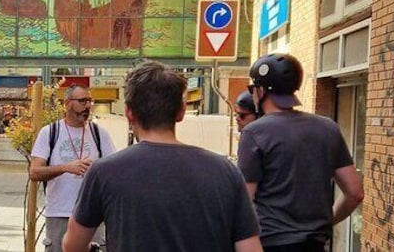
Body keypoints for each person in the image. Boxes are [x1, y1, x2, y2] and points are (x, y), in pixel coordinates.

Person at [63, 62, 261, 252]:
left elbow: (72, 246)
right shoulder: (225, 172)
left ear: (128, 113)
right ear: (181, 112)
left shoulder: (104, 172)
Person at [238, 53, 364, 252]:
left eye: (253, 88)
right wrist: (327, 220)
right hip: (314, 243)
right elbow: (355, 192)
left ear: (261, 91)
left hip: (270, 243)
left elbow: (243, 203)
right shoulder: (328, 128)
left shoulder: (254, 133)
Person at [28, 84, 116, 252]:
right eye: (82, 101)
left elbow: (113, 172)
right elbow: (34, 172)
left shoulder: (99, 133)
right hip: (59, 213)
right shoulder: (50, 132)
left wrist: (98, 170)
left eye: (89, 101)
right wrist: (65, 168)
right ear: (67, 104)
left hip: (93, 215)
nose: (88, 106)